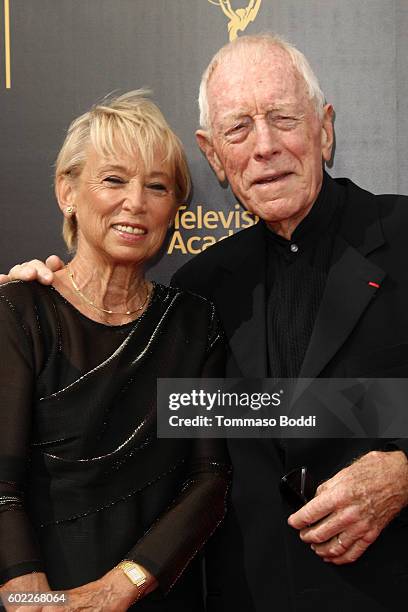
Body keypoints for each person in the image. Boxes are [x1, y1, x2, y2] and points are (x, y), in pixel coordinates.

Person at [4, 34, 408, 611]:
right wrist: (35, 304)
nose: (264, 146)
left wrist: (405, 469)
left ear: (325, 128)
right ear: (215, 155)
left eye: (283, 118)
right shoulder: (201, 291)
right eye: (238, 129)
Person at [0, 90, 230, 612]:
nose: (136, 202)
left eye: (157, 186)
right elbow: (2, 485)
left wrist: (122, 587)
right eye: (113, 179)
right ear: (67, 192)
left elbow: (208, 477)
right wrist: (33, 597)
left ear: (175, 208)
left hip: (154, 591)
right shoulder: (19, 312)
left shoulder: (192, 324)